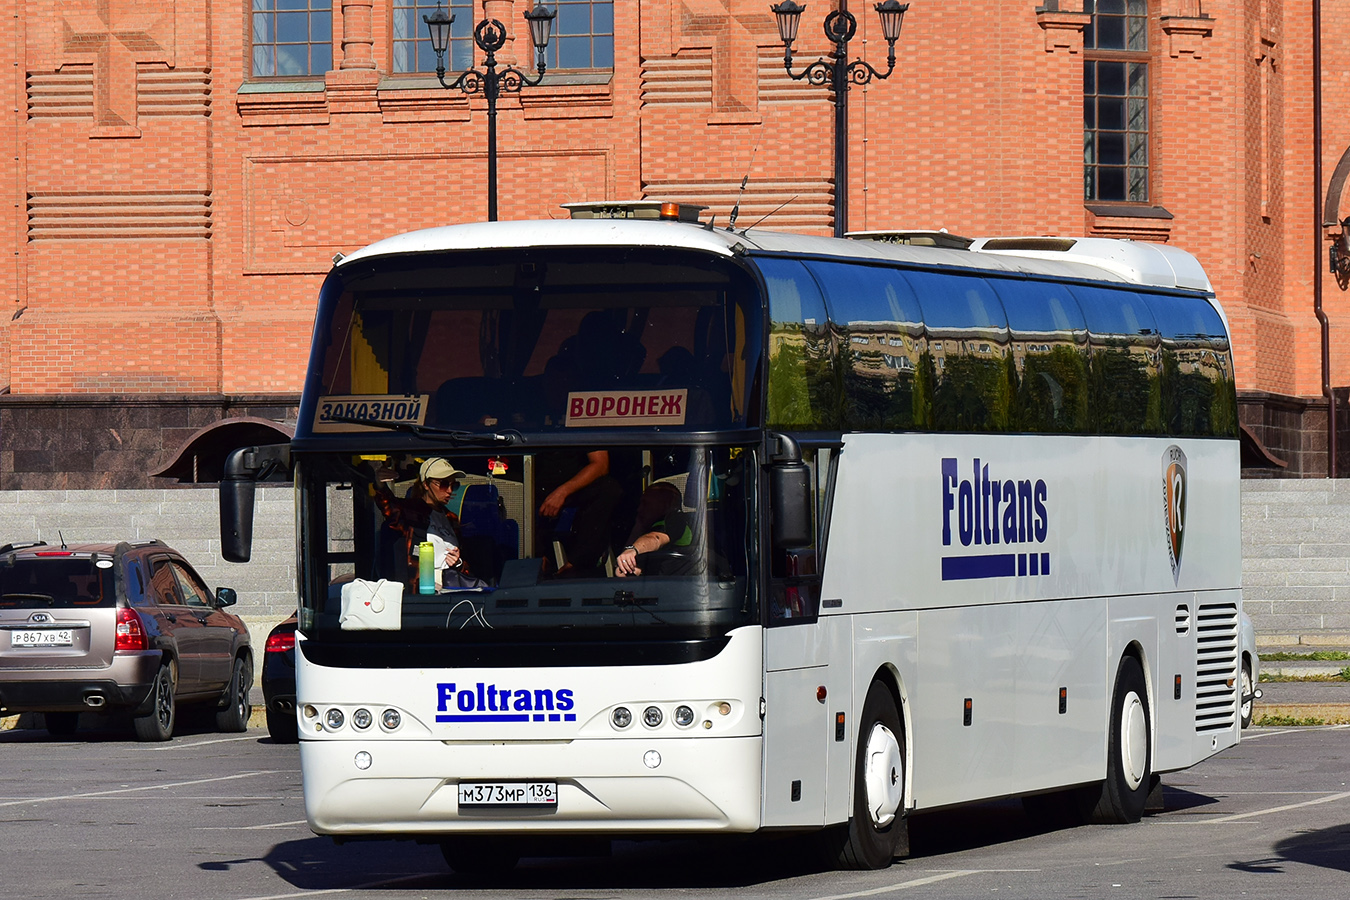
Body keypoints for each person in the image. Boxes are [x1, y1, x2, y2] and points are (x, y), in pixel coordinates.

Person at [373, 457, 474, 589]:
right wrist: (379, 484)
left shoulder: (451, 518)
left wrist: (458, 563)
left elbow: (466, 566)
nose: (449, 490)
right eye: (444, 484)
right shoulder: (409, 512)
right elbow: (388, 506)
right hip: (422, 590)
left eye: (454, 485)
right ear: (426, 484)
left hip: (451, 587)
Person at [535, 449, 621, 576]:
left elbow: (600, 464)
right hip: (533, 486)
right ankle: (535, 561)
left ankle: (575, 567)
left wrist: (562, 492)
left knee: (609, 489)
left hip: (573, 486)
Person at [616, 481, 693, 577]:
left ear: (667, 504)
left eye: (646, 503)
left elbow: (656, 538)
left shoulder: (676, 519)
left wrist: (632, 551)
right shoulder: (648, 528)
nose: (639, 509)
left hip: (683, 585)